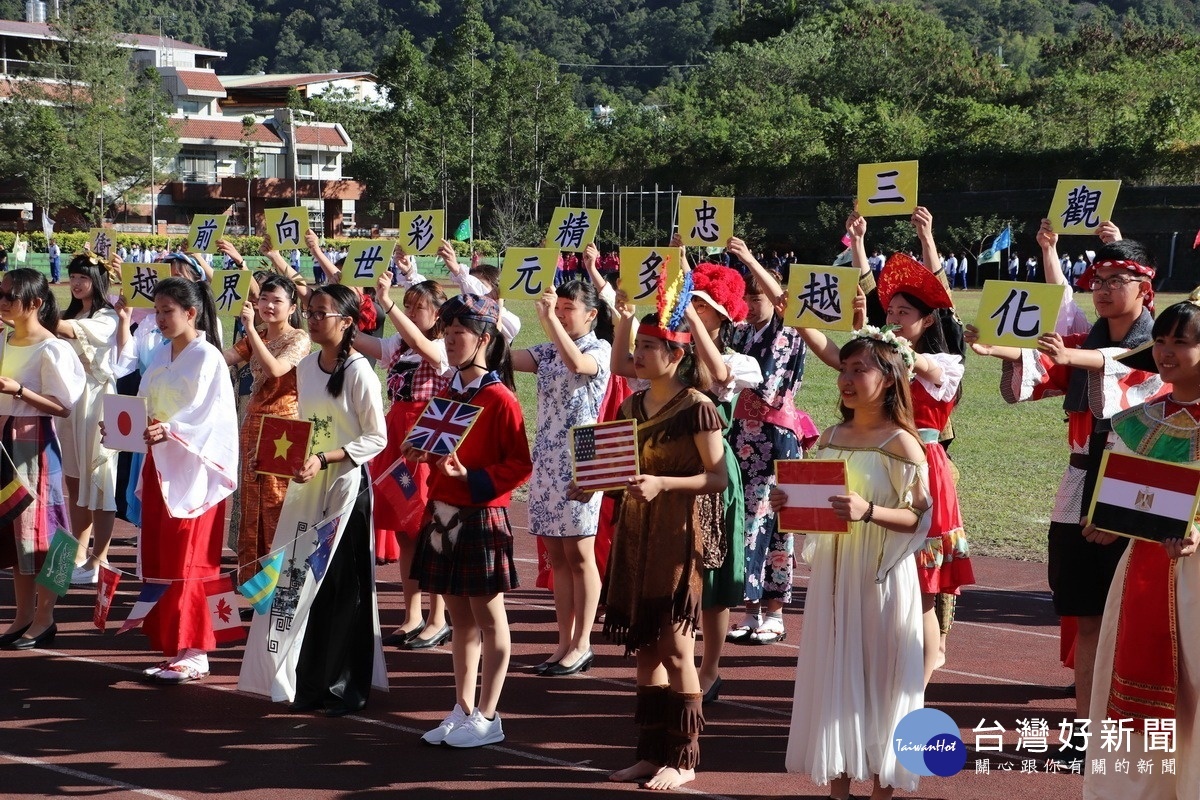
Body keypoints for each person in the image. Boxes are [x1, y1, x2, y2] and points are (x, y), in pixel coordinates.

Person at [965, 219, 1161, 737]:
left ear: (1145, 288)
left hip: (1137, 491)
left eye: (1116, 280)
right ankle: (1086, 728)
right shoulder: (1083, 340)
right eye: (1097, 279)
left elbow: (1108, 364)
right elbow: (1047, 361)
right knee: (1086, 613)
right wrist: (994, 347)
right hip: (1079, 485)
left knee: (1134, 615)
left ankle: (1135, 727)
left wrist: (1061, 355)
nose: (1103, 289)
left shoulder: (1157, 349)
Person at [777, 330, 931, 800]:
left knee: (882, 676)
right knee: (835, 670)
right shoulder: (829, 435)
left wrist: (870, 511)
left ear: (889, 379)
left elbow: (918, 518)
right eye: (844, 369)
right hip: (836, 574)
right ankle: (839, 790)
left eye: (859, 369)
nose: (846, 379)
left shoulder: (903, 444)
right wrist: (792, 502)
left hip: (881, 575)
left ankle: (884, 788)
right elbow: (820, 504)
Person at [239, 284, 388, 715]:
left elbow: (376, 437)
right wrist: (270, 454)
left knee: (343, 587)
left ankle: (345, 686)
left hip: (345, 489)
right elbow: (303, 427)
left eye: (322, 313)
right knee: (300, 583)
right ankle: (308, 681)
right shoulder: (305, 368)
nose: (314, 319)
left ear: (348, 323)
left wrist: (326, 458)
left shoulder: (360, 371)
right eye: (311, 312)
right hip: (308, 488)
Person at [595, 303, 728, 791]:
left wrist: (665, 486)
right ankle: (650, 753)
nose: (639, 354)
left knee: (676, 649)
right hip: (636, 534)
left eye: (650, 346)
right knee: (644, 651)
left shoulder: (698, 407)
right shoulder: (631, 407)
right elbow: (617, 472)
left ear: (676, 355)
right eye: (638, 347)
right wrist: (589, 484)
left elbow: (717, 478)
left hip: (677, 535)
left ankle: (684, 757)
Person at [1082, 295, 1200, 799]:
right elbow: (1131, 495)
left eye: (1181, 342)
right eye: (1161, 341)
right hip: (1146, 568)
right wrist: (1111, 524)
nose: (1166, 352)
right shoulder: (1139, 417)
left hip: (1195, 575)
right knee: (1142, 686)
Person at [411, 294, 532, 748]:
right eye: (447, 332)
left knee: (488, 616)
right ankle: (462, 708)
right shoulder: (445, 391)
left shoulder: (500, 398)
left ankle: (489, 714)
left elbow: (520, 463)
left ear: (483, 339)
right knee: (459, 618)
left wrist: (474, 477)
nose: (450, 340)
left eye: (459, 333)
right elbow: (431, 447)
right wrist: (420, 453)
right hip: (443, 512)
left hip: (481, 515)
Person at [126, 277, 238, 683]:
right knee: (162, 554)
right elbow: (141, 402)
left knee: (191, 558)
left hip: (195, 472)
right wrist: (124, 425)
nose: (160, 319)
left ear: (190, 313)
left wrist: (170, 429)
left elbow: (214, 418)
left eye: (167, 311)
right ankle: (173, 645)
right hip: (160, 466)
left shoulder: (207, 357)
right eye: (156, 311)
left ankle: (197, 650)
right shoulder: (159, 355)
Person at [513, 275, 612, 676]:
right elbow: (506, 357)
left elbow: (578, 363)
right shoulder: (548, 350)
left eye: (569, 308)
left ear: (591, 314)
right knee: (557, 553)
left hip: (584, 454)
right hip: (549, 453)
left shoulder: (599, 348)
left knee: (580, 553)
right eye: (560, 306)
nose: (561, 314)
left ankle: (583, 643)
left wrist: (549, 321)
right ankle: (563, 642)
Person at [359, 272, 451, 651]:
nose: (412, 312)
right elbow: (360, 341)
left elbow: (418, 340)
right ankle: (412, 613)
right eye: (408, 304)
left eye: (419, 307)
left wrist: (389, 303)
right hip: (396, 431)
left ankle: (438, 617)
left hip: (425, 432)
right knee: (402, 525)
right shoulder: (398, 344)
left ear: (438, 313)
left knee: (429, 526)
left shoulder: (443, 346)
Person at [0, 269, 84, 650]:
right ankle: (22, 614)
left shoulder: (52, 348)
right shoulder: (3, 338)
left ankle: (46, 615)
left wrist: (18, 390)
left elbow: (63, 407)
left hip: (33, 441)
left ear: (34, 304)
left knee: (45, 530)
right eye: (1, 294)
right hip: (5, 438)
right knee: (16, 533)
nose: (2, 302)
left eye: (9, 297)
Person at [221, 275, 309, 585]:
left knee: (276, 505)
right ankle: (253, 585)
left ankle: (279, 584)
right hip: (253, 423)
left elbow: (275, 369)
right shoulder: (257, 334)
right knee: (250, 504)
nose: (269, 306)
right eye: (264, 300)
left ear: (291, 307)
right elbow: (223, 360)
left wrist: (248, 330)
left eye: (277, 301)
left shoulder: (298, 338)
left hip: (284, 428)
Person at [54, 253, 120, 587]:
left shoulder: (107, 316)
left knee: (100, 479)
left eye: (84, 277)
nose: (77, 283)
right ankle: (79, 554)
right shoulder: (70, 313)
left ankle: (100, 558)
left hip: (97, 402)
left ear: (98, 279)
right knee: (74, 479)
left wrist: (27, 313)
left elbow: (66, 330)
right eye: (73, 277)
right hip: (71, 403)